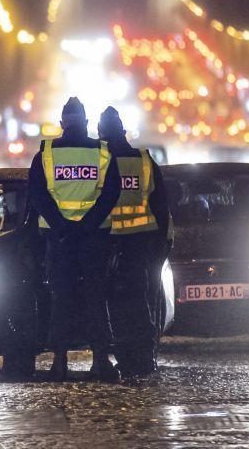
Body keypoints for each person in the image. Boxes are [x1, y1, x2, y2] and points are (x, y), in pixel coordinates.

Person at [29, 97, 122, 382]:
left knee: (61, 300)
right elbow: (111, 194)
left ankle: (59, 362)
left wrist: (61, 226)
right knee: (96, 297)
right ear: (85, 123)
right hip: (94, 239)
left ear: (61, 124)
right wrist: (87, 225)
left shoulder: (44, 154)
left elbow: (38, 195)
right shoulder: (104, 153)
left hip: (59, 240)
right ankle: (100, 360)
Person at [97, 106, 171, 377]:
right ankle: (145, 359)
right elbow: (160, 206)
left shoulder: (102, 163)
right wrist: (161, 244)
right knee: (142, 303)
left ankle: (125, 359)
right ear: (124, 131)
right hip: (141, 244)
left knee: (113, 307)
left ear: (101, 134)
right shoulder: (144, 160)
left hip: (108, 244)